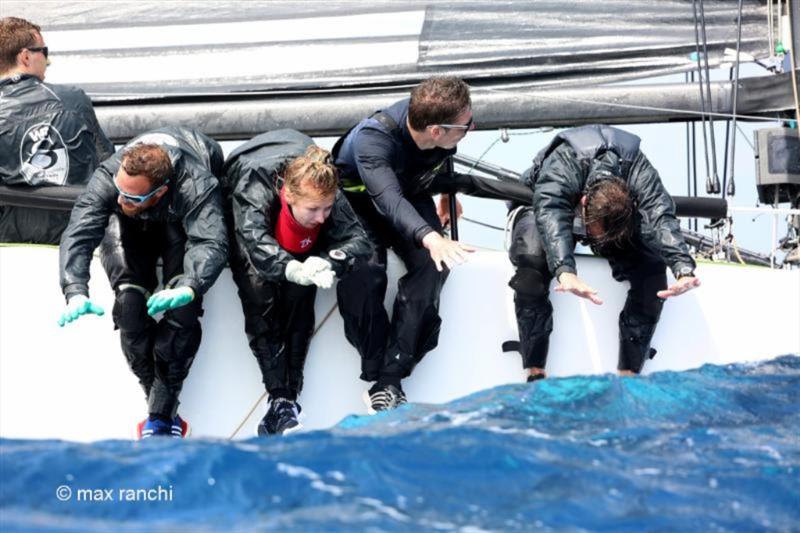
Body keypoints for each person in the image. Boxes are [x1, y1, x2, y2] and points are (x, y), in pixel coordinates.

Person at [333, 76, 532, 412]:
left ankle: (389, 380)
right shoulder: (373, 139)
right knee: (366, 274)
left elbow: (445, 172)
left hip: (410, 196)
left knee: (432, 266)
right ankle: (373, 369)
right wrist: (430, 236)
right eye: (466, 125)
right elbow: (388, 199)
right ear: (437, 130)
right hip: (360, 204)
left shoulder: (440, 137)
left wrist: (445, 195)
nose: (472, 127)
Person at [57, 126, 228, 439]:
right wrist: (75, 290)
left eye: (130, 195)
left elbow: (211, 242)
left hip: (179, 217)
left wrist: (190, 285)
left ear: (159, 191)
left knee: (184, 312)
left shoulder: (196, 184)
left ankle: (159, 418)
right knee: (129, 309)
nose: (121, 198)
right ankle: (162, 413)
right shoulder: (111, 179)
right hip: (130, 223)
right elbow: (79, 233)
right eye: (119, 190)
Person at [507, 125, 701, 380]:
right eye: (595, 233)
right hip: (541, 208)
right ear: (585, 202)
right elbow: (551, 212)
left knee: (652, 270)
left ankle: (629, 374)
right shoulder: (566, 161)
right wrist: (565, 271)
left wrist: (683, 268)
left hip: (611, 220)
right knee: (531, 263)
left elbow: (660, 214)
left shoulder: (637, 168)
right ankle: (535, 370)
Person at [222, 130, 371, 435]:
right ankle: (278, 397)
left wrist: (329, 261)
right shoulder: (253, 188)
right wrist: (290, 267)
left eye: (327, 209)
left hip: (298, 158)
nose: (322, 217)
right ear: (289, 196)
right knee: (259, 293)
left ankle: (287, 403)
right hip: (243, 176)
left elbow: (359, 241)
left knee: (302, 296)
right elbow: (255, 242)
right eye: (314, 210)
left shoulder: (325, 191)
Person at [0, 17, 114, 244]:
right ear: (25, 56)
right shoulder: (72, 100)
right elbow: (109, 165)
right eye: (44, 51)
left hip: (6, 242)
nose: (48, 60)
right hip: (75, 240)